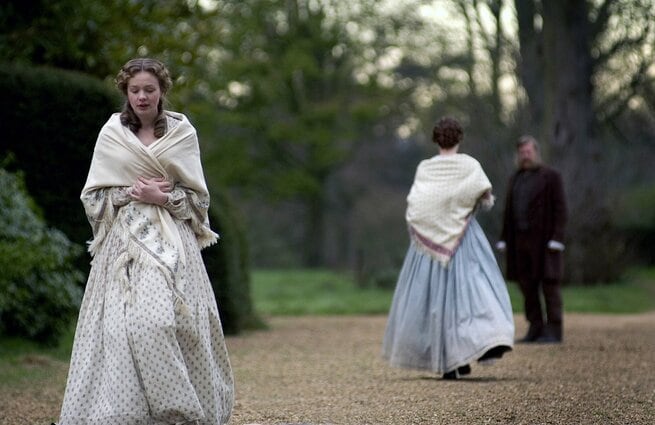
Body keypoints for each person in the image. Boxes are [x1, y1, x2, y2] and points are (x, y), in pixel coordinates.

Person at [56, 58, 234, 424]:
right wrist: (132, 193)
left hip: (174, 243)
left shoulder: (182, 133)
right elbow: (93, 198)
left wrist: (164, 199)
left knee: (171, 325)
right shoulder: (112, 134)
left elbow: (199, 202)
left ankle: (182, 412)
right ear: (126, 92)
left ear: (162, 91)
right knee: (121, 330)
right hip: (124, 246)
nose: (141, 96)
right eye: (135, 90)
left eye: (149, 89)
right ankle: (126, 413)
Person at [382, 117, 514, 380]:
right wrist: (459, 209)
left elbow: (418, 204)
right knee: (472, 294)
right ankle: (475, 346)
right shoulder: (469, 165)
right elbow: (484, 197)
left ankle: (449, 361)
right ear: (459, 138)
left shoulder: (426, 168)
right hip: (463, 241)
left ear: (435, 139)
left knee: (434, 301)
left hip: (429, 245)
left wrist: (435, 224)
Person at [496, 135, 567, 343]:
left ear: (536, 152)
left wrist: (558, 237)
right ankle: (535, 328)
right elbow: (508, 212)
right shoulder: (515, 178)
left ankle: (554, 330)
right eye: (522, 152)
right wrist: (504, 238)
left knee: (549, 286)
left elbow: (561, 209)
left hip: (545, 242)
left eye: (528, 152)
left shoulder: (551, 176)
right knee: (527, 286)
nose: (525, 156)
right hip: (519, 242)